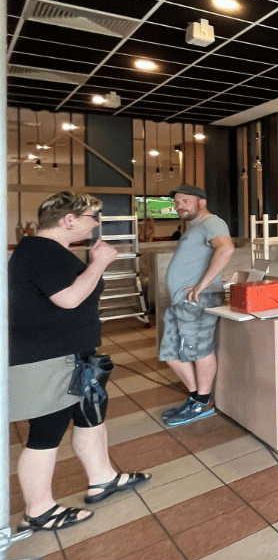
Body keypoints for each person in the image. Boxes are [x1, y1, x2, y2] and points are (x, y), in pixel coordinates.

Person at [8, 191, 151, 532]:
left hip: (73, 354)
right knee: (47, 432)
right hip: (48, 357)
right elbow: (70, 298)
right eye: (91, 217)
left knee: (90, 416)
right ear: (68, 220)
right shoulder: (41, 252)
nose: (96, 224)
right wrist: (99, 263)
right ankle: (39, 510)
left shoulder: (50, 251)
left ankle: (103, 477)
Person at [159, 185, 234, 427]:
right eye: (177, 202)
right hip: (182, 300)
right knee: (170, 353)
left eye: (185, 201)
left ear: (201, 202)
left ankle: (203, 402)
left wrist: (202, 284)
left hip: (198, 300)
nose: (179, 206)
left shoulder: (212, 222)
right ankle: (196, 398)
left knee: (199, 349)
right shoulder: (194, 227)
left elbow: (226, 248)